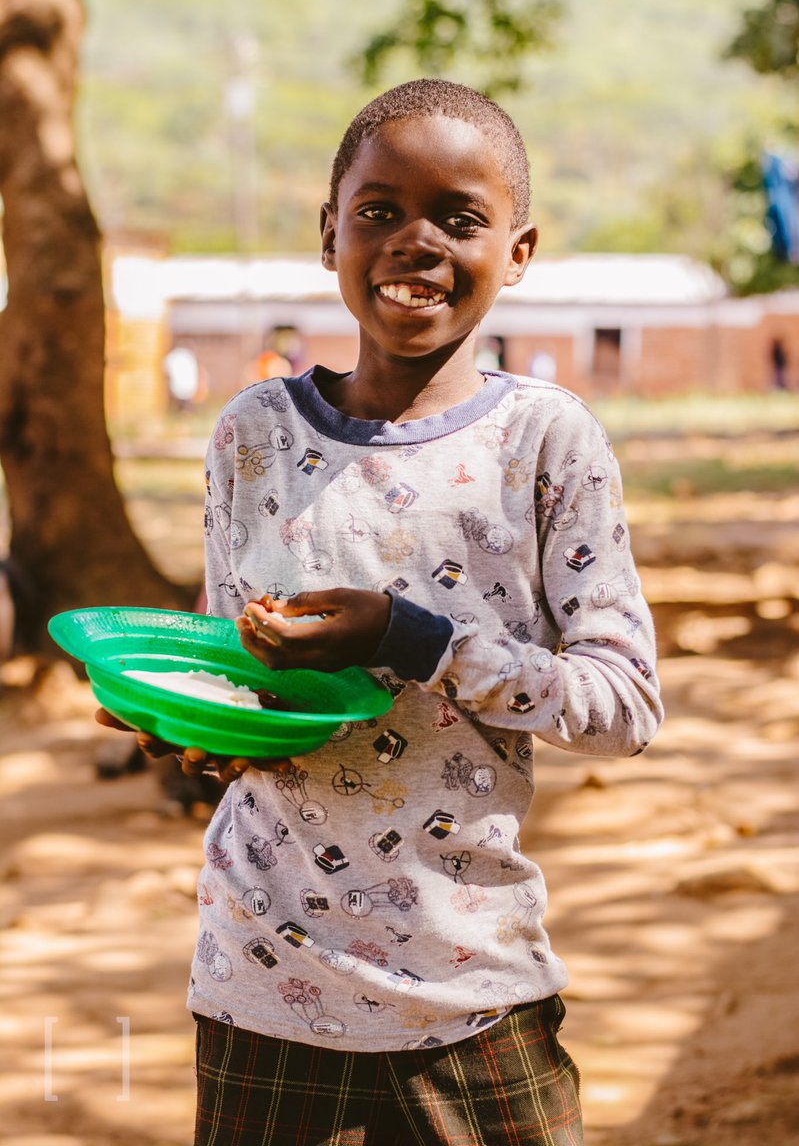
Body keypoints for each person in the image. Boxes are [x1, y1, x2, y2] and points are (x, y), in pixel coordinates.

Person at [99, 78, 663, 1145]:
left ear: (520, 250)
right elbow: (245, 676)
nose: (415, 243)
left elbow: (623, 704)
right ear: (329, 235)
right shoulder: (251, 435)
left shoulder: (547, 444)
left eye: (458, 218)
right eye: (379, 212)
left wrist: (412, 641)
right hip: (262, 979)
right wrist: (188, 727)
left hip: (470, 992)